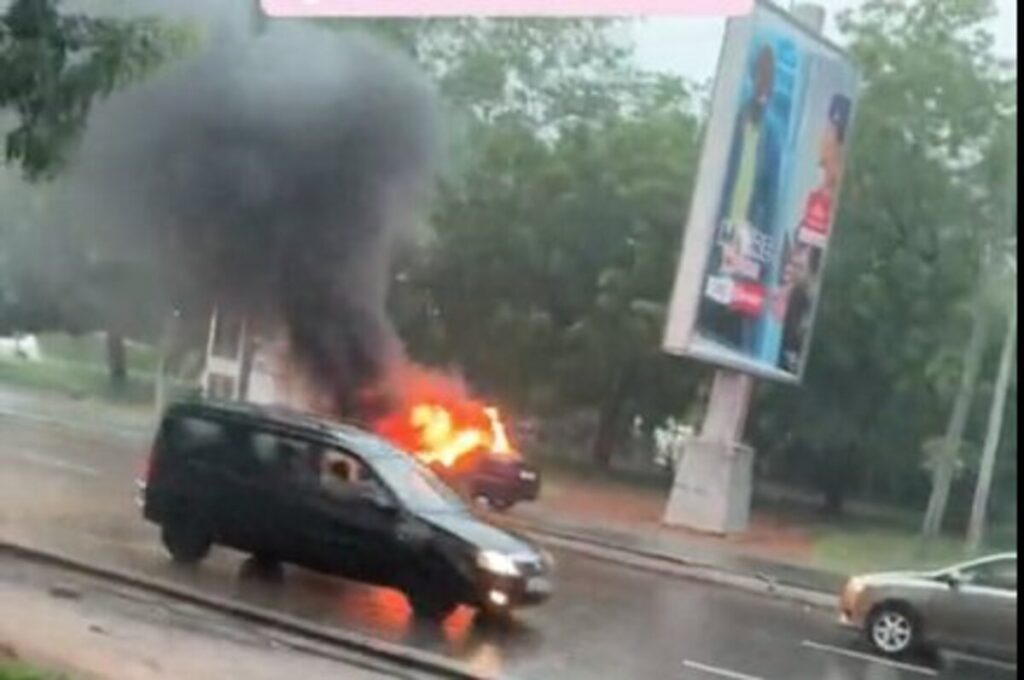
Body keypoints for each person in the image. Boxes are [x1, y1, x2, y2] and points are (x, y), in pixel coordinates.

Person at [701, 44, 784, 351]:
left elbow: (772, 196)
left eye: (769, 78)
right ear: (752, 77)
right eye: (760, 75)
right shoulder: (733, 120)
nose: (764, 83)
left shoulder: (773, 132)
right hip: (720, 228)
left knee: (736, 317)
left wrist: (767, 249)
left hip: (748, 240)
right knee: (706, 308)